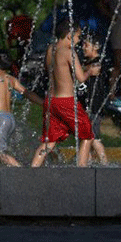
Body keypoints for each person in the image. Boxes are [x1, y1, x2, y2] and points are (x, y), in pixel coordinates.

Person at [31, 20, 100, 168]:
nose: (78, 41)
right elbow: (81, 78)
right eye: (77, 37)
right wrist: (90, 71)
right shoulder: (70, 52)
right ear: (69, 36)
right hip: (66, 102)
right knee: (88, 135)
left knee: (49, 141)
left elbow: (51, 70)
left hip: (51, 101)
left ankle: (32, 169)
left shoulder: (51, 49)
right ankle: (81, 169)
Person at [79, 33, 111, 165]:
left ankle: (105, 163)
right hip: (86, 105)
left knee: (93, 138)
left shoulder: (99, 63)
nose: (83, 47)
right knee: (87, 137)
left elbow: (93, 70)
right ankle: (88, 162)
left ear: (96, 47)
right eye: (82, 44)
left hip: (94, 106)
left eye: (86, 45)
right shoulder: (87, 63)